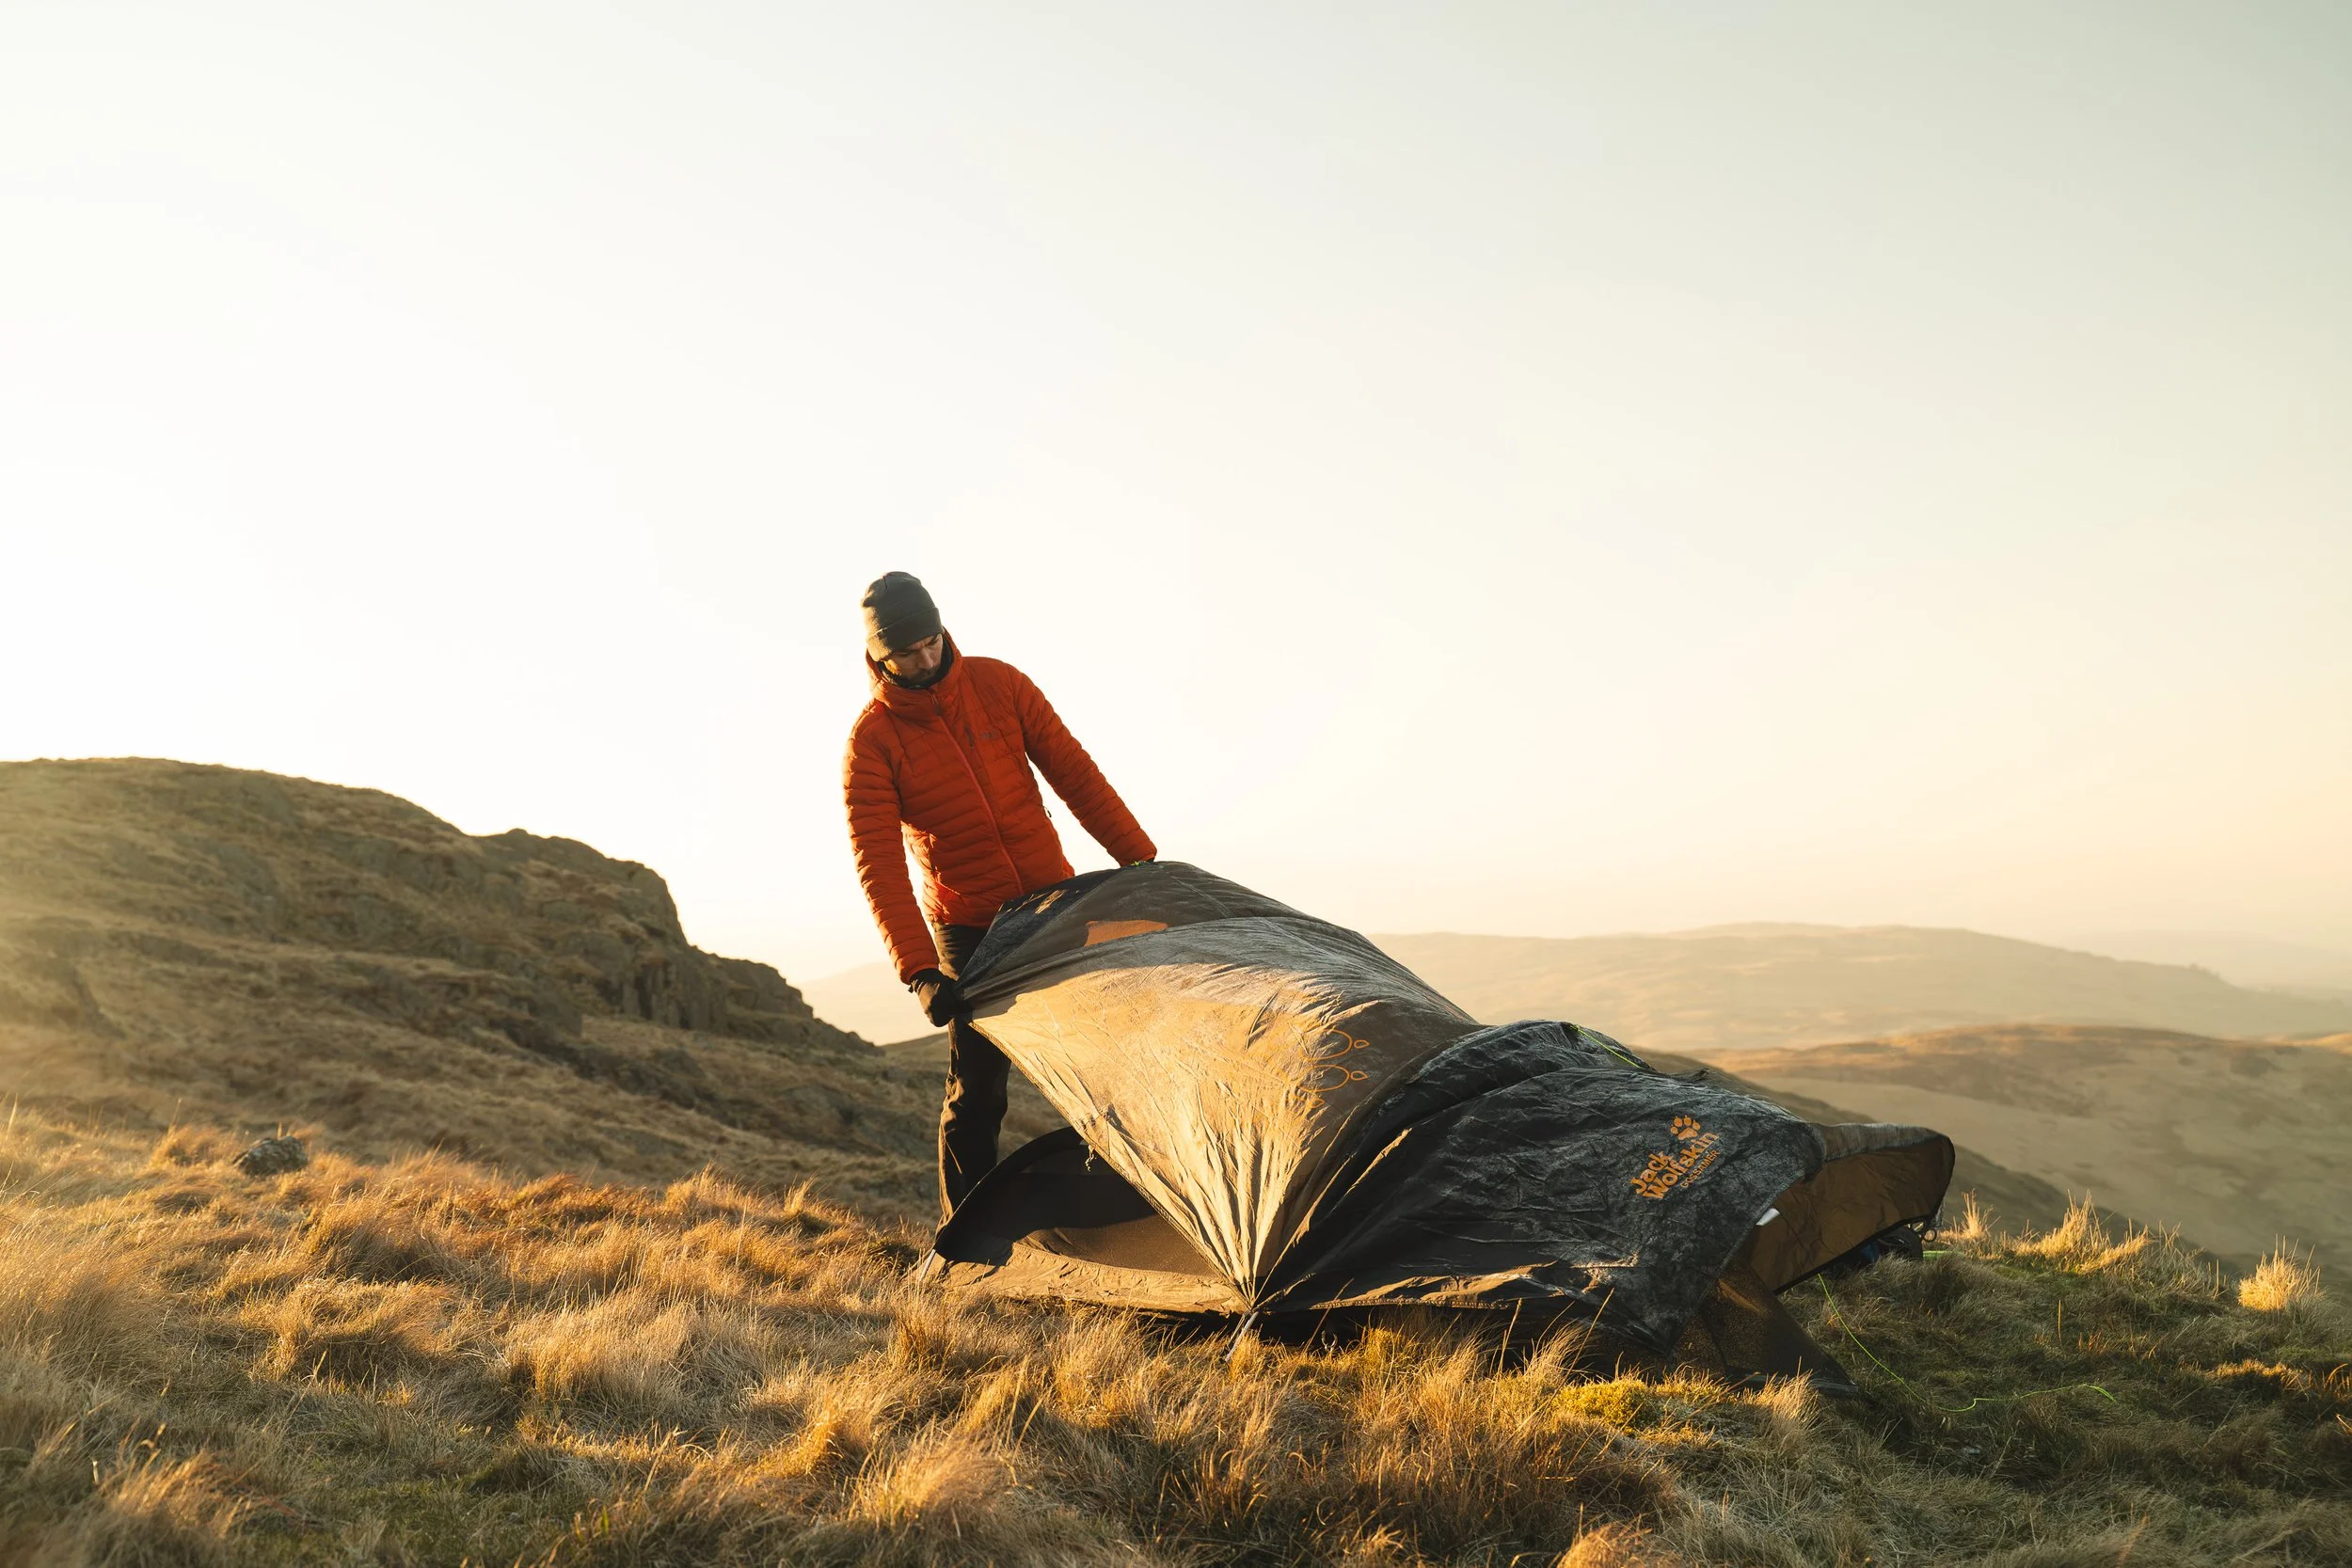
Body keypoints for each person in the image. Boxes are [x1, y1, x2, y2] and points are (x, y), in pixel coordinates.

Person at [842, 571, 1156, 1217]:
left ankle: (1132, 1208)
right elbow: (878, 865)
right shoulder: (871, 744)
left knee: (1106, 1058)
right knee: (978, 1088)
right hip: (970, 927)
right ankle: (965, 1237)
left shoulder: (1000, 685)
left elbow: (1075, 772)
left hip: (1053, 901)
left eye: (931, 641)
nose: (926, 660)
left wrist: (1140, 857)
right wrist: (920, 971)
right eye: (908, 652)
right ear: (878, 655)